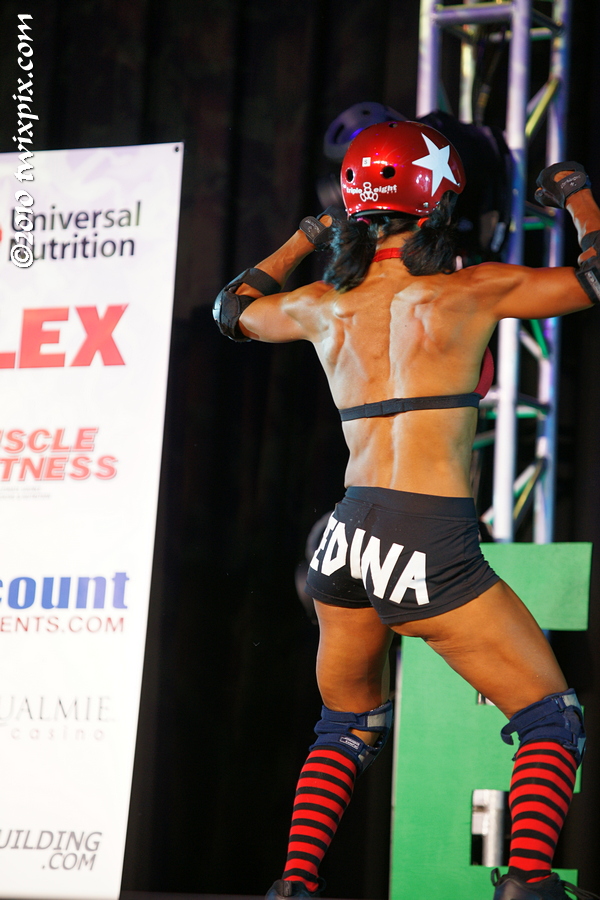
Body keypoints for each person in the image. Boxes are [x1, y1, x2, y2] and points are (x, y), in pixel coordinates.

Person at [213, 121, 600, 900]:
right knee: (550, 717)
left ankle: (295, 885)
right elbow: (594, 279)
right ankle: (528, 880)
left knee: (345, 726)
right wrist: (577, 195)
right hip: (425, 534)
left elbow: (233, 307)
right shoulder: (471, 289)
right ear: (440, 201)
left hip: (344, 539)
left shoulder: (321, 304)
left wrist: (305, 237)